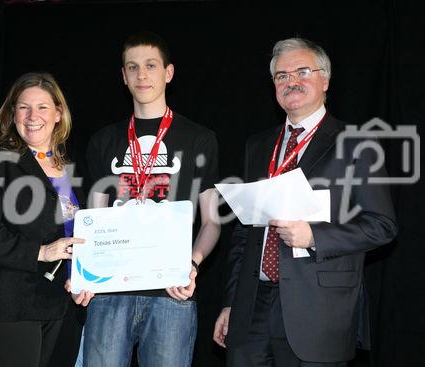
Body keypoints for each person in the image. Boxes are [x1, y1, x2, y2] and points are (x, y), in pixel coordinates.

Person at [213, 38, 398, 366]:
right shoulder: (258, 146)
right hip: (251, 309)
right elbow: (244, 233)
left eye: (302, 71)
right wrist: (232, 303)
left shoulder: (356, 144)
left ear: (325, 80)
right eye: (281, 76)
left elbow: (381, 226)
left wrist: (315, 237)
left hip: (317, 311)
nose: (291, 81)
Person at [76, 31, 221, 367]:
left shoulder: (199, 139)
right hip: (110, 291)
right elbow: (93, 220)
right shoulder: (102, 140)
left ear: (168, 73)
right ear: (123, 77)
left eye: (150, 65)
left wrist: (193, 264)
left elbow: (213, 219)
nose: (142, 74)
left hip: (171, 290)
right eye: (133, 67)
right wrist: (85, 274)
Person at [0, 72, 91, 367]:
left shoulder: (73, 167)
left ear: (59, 114)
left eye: (43, 107)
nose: (33, 116)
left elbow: (84, 230)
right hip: (8, 307)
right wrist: (42, 252)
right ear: (12, 114)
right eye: (23, 107)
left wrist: (87, 275)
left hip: (62, 306)